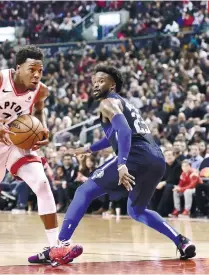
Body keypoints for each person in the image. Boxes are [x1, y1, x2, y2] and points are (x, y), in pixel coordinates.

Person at [31, 64, 196, 266]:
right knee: (137, 210)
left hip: (135, 156)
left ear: (113, 84)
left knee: (84, 191)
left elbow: (125, 133)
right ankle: (182, 241)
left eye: (101, 81)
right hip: (156, 159)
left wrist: (122, 164)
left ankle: (61, 245)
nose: (96, 85)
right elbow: (114, 136)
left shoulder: (107, 103)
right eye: (93, 82)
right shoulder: (123, 104)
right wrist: (88, 149)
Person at [0, 46, 83, 266]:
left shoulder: (40, 90)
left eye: (40, 71)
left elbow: (39, 109)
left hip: (16, 142)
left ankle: (56, 246)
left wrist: (43, 129)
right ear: (17, 68)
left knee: (42, 183)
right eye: (32, 69)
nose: (36, 75)